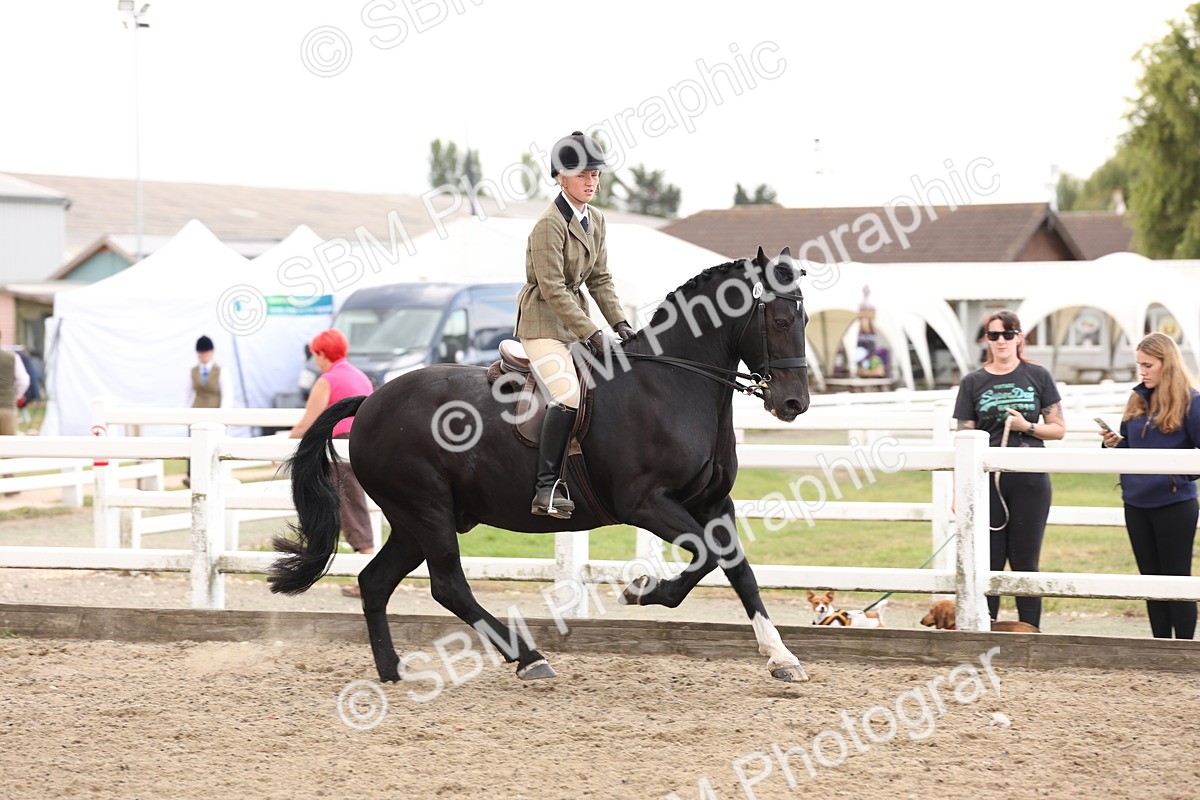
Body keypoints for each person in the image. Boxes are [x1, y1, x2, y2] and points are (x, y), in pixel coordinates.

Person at [514, 130, 635, 520]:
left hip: (573, 323)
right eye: (583, 175)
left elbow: (599, 278)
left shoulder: (595, 219)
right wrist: (591, 332)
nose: (591, 182)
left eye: (596, 175)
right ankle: (546, 488)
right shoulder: (549, 224)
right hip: (542, 325)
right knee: (568, 395)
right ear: (561, 178)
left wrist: (620, 324)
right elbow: (552, 288)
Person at [953, 310, 1065, 628]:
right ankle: (986, 628)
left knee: (1025, 560)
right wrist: (957, 490)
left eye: (1007, 334)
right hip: (987, 482)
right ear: (986, 340)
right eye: (993, 335)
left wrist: (1026, 426)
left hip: (1030, 481)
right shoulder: (973, 382)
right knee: (988, 559)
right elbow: (962, 438)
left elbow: (1057, 428)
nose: (1001, 341)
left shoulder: (1038, 376)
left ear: (1019, 337)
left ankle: (1031, 632)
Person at [1100, 332, 1198, 639]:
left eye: (1148, 365)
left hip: (1174, 505)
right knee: (1149, 580)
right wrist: (1113, 445)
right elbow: (1129, 448)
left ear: (1166, 364)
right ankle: (1159, 644)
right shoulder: (1138, 398)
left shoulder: (1193, 404)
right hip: (1136, 503)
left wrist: (1174, 477)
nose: (1142, 371)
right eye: (1139, 364)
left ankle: (1184, 649)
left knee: (1176, 579)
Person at [288, 329, 374, 597]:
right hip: (361, 447)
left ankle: (367, 578)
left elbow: (307, 423)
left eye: (315, 355)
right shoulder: (361, 377)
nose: (315, 361)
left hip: (339, 450)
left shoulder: (327, 380)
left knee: (351, 512)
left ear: (321, 354)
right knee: (345, 508)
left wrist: (280, 447)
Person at [183, 335, 233, 487]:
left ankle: (215, 475)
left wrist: (223, 416)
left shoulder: (221, 371)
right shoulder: (193, 371)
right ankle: (192, 476)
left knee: (215, 447)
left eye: (205, 353)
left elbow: (227, 395)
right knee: (193, 445)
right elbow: (186, 394)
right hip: (196, 412)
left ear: (212, 353)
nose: (203, 356)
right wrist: (183, 414)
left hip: (214, 413)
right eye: (200, 353)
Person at [0, 333, 31, 436]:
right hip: (6, 408)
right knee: (8, 447)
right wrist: (15, 397)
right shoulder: (12, 357)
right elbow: (24, 381)